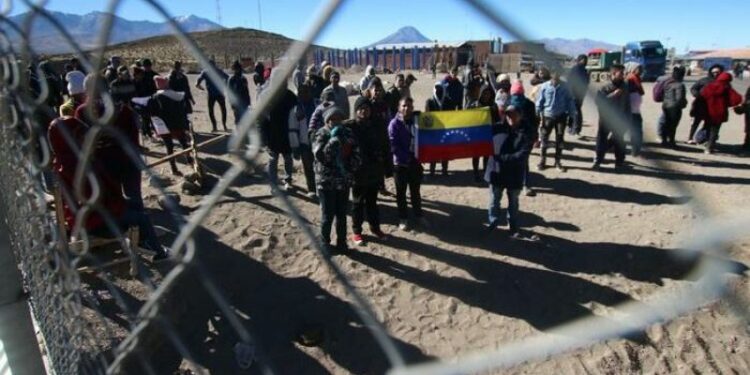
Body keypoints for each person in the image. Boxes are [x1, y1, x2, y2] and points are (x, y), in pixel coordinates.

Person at [313, 106, 361, 254]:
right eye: (332, 119)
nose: (336, 121)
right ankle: (325, 243)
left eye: (339, 118)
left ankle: (342, 243)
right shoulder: (321, 134)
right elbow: (320, 157)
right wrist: (331, 145)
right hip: (326, 182)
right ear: (327, 120)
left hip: (343, 181)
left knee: (342, 214)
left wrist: (351, 166)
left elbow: (356, 153)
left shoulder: (347, 133)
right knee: (328, 215)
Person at [346, 97, 388, 245]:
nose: (364, 111)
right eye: (361, 108)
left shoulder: (376, 125)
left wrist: (384, 166)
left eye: (367, 108)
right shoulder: (350, 126)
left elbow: (384, 146)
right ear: (356, 110)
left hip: (374, 172)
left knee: (372, 202)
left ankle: (375, 228)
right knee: (357, 203)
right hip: (358, 173)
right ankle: (357, 232)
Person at [484, 105, 531, 238]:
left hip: (514, 173)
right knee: (494, 199)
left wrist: (500, 158)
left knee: (513, 202)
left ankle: (513, 226)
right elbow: (481, 135)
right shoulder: (497, 128)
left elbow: (522, 155)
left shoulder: (527, 132)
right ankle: (493, 223)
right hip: (497, 172)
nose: (510, 117)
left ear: (520, 115)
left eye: (514, 114)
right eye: (508, 114)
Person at [146, 76, 195, 175]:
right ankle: (190, 160)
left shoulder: (156, 97)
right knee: (183, 143)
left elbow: (152, 112)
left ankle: (174, 168)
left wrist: (153, 126)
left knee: (169, 147)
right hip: (178, 124)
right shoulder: (177, 95)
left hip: (164, 126)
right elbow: (184, 110)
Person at [388, 97, 425, 230]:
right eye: (404, 106)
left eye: (409, 106)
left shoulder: (417, 121)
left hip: (415, 163)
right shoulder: (394, 124)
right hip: (400, 164)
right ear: (399, 107)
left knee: (415, 191)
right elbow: (393, 146)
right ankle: (403, 218)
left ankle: (418, 214)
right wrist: (407, 158)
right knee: (401, 193)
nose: (406, 108)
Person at [260, 69, 299, 190]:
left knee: (288, 158)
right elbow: (261, 118)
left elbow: (297, 116)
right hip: (272, 134)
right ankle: (273, 184)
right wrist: (263, 137)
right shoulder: (265, 96)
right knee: (273, 160)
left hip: (288, 133)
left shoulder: (290, 96)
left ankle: (288, 180)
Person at [535, 71, 577, 171]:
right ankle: (542, 160)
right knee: (544, 138)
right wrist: (537, 114)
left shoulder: (565, 87)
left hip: (561, 117)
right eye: (554, 74)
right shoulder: (545, 86)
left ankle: (557, 161)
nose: (556, 76)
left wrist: (572, 116)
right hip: (547, 116)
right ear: (550, 75)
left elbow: (570, 101)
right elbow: (540, 101)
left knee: (560, 139)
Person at [592, 64, 630, 169]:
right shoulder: (604, 87)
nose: (623, 75)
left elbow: (627, 104)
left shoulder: (625, 86)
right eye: (621, 73)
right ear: (613, 73)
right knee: (601, 139)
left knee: (619, 140)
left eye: (624, 73)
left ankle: (619, 161)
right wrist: (613, 95)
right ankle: (598, 160)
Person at [700, 72, 743, 154]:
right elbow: (737, 99)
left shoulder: (710, 86)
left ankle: (706, 143)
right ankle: (709, 147)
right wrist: (728, 104)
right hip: (720, 112)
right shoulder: (727, 88)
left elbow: (702, 95)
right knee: (715, 130)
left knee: (708, 127)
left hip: (708, 111)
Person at [509, 80, 538, 197]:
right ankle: (523, 183)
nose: (516, 98)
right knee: (521, 161)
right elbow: (535, 123)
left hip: (522, 138)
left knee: (521, 160)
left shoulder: (510, 103)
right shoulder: (528, 104)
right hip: (521, 137)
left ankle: (523, 184)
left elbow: (534, 123)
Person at [466, 83, 496, 181]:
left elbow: (497, 119)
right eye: (484, 94)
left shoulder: (493, 106)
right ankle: (476, 173)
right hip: (476, 135)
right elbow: (467, 118)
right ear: (481, 94)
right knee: (476, 155)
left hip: (488, 134)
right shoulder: (474, 105)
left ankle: (485, 172)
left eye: (488, 94)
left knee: (486, 155)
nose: (486, 96)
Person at [687, 64, 723, 144]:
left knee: (709, 124)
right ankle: (690, 138)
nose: (715, 74)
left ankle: (705, 139)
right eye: (714, 72)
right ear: (710, 72)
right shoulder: (704, 80)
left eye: (717, 72)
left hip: (713, 108)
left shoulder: (723, 82)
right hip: (701, 105)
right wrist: (698, 95)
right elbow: (693, 88)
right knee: (696, 122)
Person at [425, 82, 454, 176]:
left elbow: (452, 116)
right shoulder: (429, 101)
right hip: (433, 131)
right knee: (433, 152)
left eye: (440, 89)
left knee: (445, 151)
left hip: (445, 130)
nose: (438, 91)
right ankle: (432, 171)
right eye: (437, 89)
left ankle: (444, 170)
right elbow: (427, 116)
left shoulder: (449, 101)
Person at [292, 84, 317, 197]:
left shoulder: (317, 104)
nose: (304, 94)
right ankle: (311, 189)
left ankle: (320, 188)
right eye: (301, 92)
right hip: (304, 142)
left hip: (318, 140)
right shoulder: (296, 108)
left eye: (306, 92)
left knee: (319, 165)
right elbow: (293, 128)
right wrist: (295, 146)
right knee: (308, 166)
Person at [196, 60, 229, 132]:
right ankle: (224, 125)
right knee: (223, 109)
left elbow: (199, 80)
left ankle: (214, 127)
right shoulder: (218, 71)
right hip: (220, 93)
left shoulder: (205, 72)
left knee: (211, 110)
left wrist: (198, 85)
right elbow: (227, 77)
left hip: (211, 94)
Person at [661, 66, 688, 148]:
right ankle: (671, 141)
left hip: (666, 105)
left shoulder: (668, 84)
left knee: (666, 123)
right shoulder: (680, 85)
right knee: (673, 125)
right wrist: (684, 104)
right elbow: (679, 98)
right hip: (675, 107)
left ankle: (664, 140)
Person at [566, 54, 590, 136]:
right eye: (583, 60)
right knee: (575, 110)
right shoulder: (579, 70)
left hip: (576, 94)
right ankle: (572, 127)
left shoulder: (580, 70)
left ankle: (575, 129)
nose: (584, 61)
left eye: (585, 60)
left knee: (576, 111)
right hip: (576, 94)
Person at [625, 62, 645, 155]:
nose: (641, 71)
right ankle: (635, 149)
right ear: (632, 69)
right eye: (638, 68)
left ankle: (635, 149)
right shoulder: (630, 79)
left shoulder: (636, 78)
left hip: (635, 109)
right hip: (632, 110)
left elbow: (640, 92)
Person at [227, 60, 251, 125]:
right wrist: (232, 104)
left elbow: (246, 91)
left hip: (244, 101)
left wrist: (248, 102)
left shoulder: (243, 78)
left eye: (239, 69)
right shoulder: (232, 79)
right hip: (236, 102)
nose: (239, 70)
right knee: (238, 119)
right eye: (237, 69)